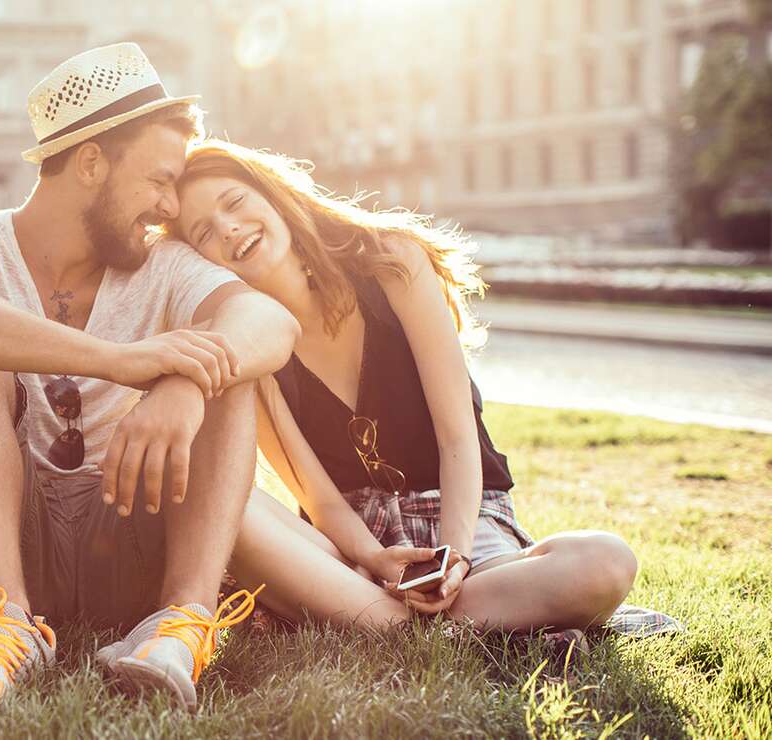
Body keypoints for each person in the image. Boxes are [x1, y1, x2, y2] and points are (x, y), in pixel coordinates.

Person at [0, 45, 298, 710]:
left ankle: (180, 625)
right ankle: (3, 631)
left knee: (223, 363)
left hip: (121, 541)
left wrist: (183, 385)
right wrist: (119, 360)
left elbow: (268, 320)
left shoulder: (162, 263)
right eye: (159, 181)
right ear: (91, 162)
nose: (167, 207)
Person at [171, 139, 651, 635]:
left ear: (271, 194)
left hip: (461, 518)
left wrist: (455, 557)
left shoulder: (391, 262)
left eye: (235, 201)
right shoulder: (251, 341)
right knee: (224, 500)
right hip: (351, 547)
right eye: (204, 232)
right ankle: (468, 625)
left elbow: (457, 437)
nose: (228, 228)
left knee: (605, 562)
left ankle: (392, 624)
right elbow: (320, 500)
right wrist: (376, 560)